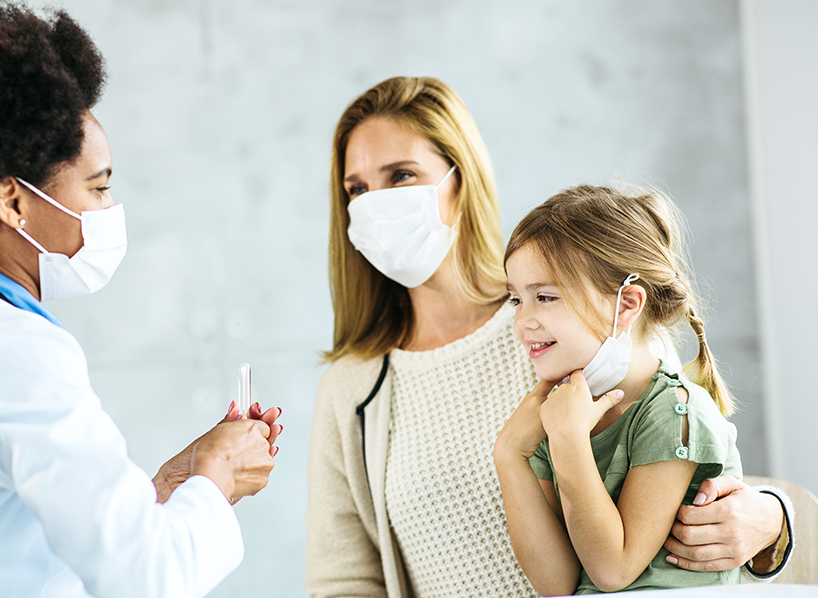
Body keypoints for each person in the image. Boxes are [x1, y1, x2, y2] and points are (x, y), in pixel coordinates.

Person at [0, 4, 281, 597]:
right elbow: (147, 577)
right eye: (99, 187)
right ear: (13, 202)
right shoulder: (14, 350)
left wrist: (167, 485)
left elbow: (8, 536)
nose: (111, 213)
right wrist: (218, 481)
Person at [304, 76, 792, 598]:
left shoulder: (578, 327)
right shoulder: (353, 389)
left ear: (459, 179)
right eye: (356, 189)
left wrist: (771, 523)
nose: (376, 205)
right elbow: (343, 583)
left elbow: (697, 473)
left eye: (401, 175)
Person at [495, 184, 746, 594]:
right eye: (516, 301)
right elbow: (556, 583)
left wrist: (569, 441)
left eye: (544, 296)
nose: (523, 321)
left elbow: (613, 571)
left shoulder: (672, 410)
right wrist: (510, 457)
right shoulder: (557, 412)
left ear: (627, 304)